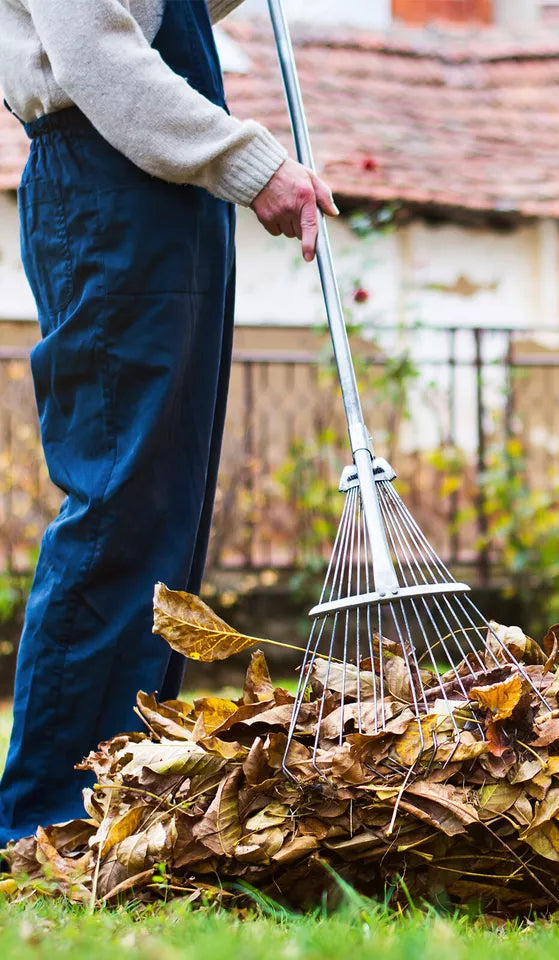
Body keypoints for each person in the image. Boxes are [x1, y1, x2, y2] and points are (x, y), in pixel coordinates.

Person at [0, 0, 337, 846]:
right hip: (108, 188)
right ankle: (46, 814)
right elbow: (100, 59)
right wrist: (253, 164)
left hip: (162, 202)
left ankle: (123, 794)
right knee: (120, 506)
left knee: (164, 518)